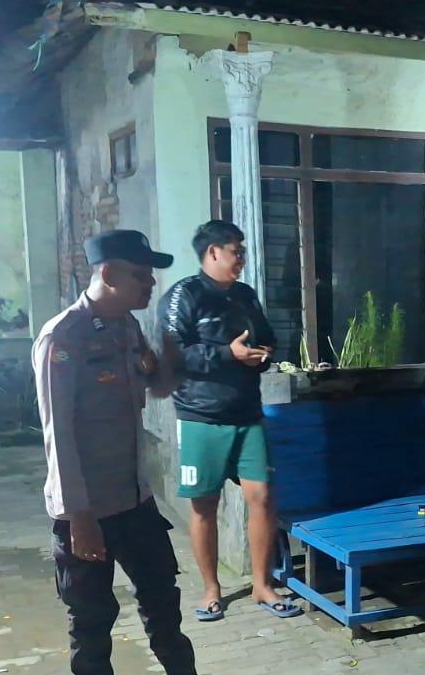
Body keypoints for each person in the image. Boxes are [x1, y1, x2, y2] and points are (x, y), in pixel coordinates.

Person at [34, 229, 195, 675]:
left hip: (135, 502)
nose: (150, 284)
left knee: (165, 611)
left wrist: (172, 358)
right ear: (108, 274)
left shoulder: (127, 327)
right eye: (140, 275)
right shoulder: (62, 337)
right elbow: (58, 435)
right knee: (91, 627)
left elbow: (156, 386)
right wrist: (79, 518)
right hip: (87, 510)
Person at [159, 220, 299, 621]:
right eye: (236, 251)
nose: (242, 259)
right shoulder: (184, 295)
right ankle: (211, 590)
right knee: (204, 505)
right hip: (201, 416)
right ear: (213, 252)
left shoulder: (245, 295)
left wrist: (262, 355)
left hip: (247, 415)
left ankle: (261, 585)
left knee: (263, 498)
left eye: (243, 251)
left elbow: (268, 338)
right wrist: (227, 354)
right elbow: (172, 353)